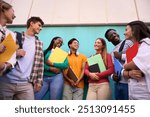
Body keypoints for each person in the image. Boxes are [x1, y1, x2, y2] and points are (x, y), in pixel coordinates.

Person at [0, 16, 44, 100]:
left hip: (26, 84)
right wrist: (15, 53)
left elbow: (40, 63)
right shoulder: (15, 36)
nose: (41, 28)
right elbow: (2, 54)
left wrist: (39, 81)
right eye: (39, 25)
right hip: (6, 81)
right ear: (31, 23)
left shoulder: (39, 43)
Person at [123, 20, 150, 100]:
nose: (124, 33)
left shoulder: (147, 43)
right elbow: (124, 72)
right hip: (133, 92)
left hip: (145, 94)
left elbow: (135, 64)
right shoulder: (130, 50)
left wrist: (125, 66)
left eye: (126, 30)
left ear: (134, 31)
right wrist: (129, 73)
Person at [105, 29, 133, 100]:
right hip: (118, 84)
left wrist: (121, 56)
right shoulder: (112, 53)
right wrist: (112, 76)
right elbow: (112, 68)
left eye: (114, 33)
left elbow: (136, 56)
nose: (114, 35)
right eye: (111, 35)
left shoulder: (128, 42)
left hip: (129, 83)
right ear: (109, 40)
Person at [0, 0, 16, 75]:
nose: (15, 16)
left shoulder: (11, 35)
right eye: (13, 11)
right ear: (3, 8)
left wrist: (4, 66)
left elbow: (12, 58)